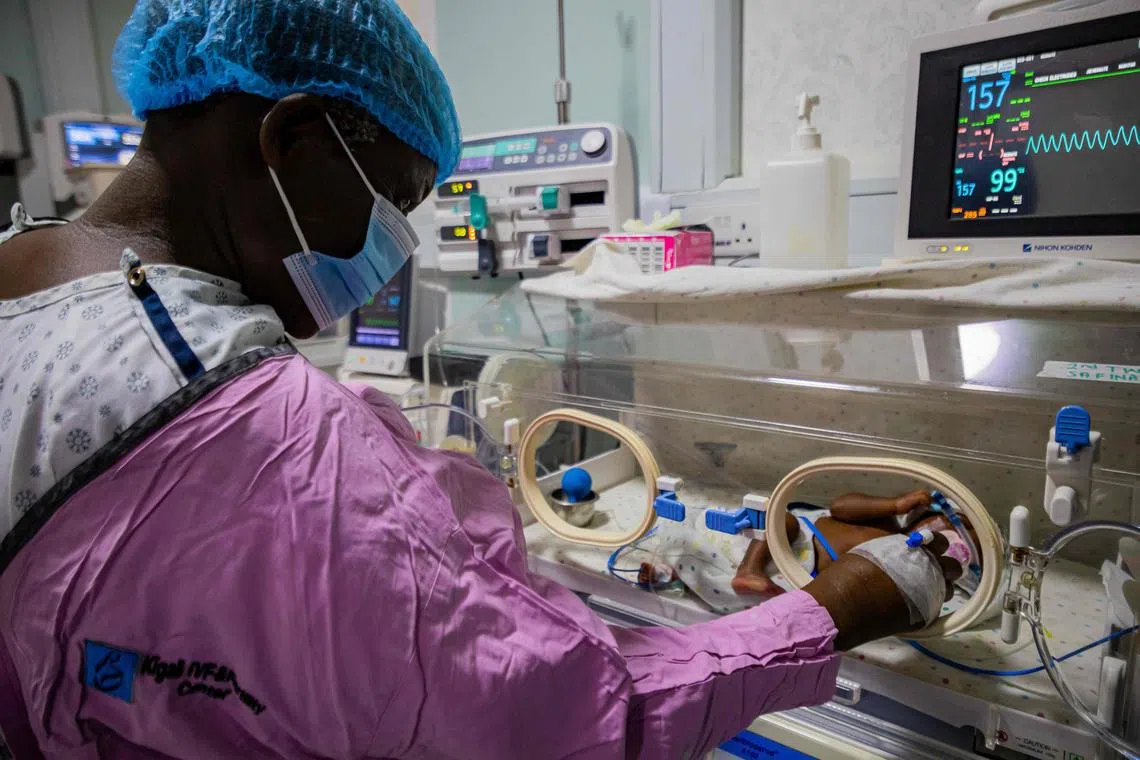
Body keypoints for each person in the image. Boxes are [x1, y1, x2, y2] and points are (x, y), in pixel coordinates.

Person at [0, 2, 957, 757]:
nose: (394, 248)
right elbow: (569, 723)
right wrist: (843, 605)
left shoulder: (26, 272)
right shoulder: (260, 437)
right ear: (290, 141)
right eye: (396, 199)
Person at [732, 490, 977, 598]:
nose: (955, 538)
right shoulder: (887, 521)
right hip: (795, 537)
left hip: (799, 578)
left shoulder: (911, 569)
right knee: (781, 520)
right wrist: (894, 504)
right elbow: (841, 506)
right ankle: (749, 569)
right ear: (928, 512)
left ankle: (750, 577)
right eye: (960, 526)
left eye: (972, 550)